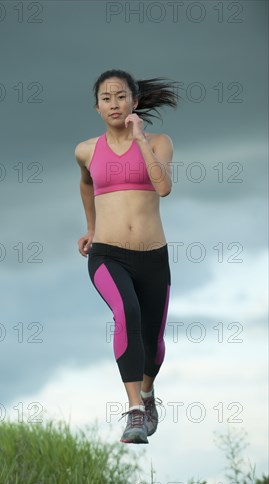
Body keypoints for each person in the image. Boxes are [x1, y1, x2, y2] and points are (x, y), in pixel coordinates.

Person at [75, 69, 180, 444]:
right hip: (107, 255)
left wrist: (140, 140)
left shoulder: (159, 142)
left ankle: (149, 396)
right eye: (106, 98)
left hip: (153, 256)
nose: (114, 104)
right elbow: (86, 183)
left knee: (153, 340)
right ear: (97, 106)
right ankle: (135, 411)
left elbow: (163, 187)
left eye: (121, 97)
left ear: (134, 102)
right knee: (127, 313)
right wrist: (91, 227)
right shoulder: (86, 150)